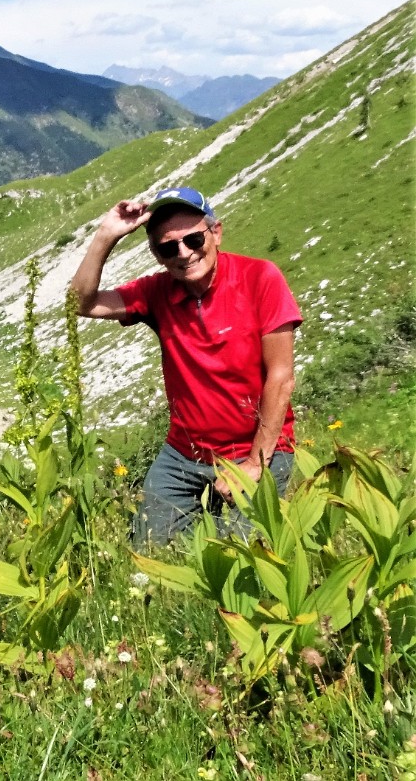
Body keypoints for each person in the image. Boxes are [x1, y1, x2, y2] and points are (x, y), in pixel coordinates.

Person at [70, 186, 303, 545]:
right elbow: (81, 304)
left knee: (247, 560)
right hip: (184, 454)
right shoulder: (156, 291)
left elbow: (281, 378)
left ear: (216, 232)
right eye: (168, 248)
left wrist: (255, 463)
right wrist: (106, 235)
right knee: (149, 553)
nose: (184, 253)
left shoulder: (260, 277)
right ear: (157, 254)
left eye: (194, 239)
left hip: (259, 450)